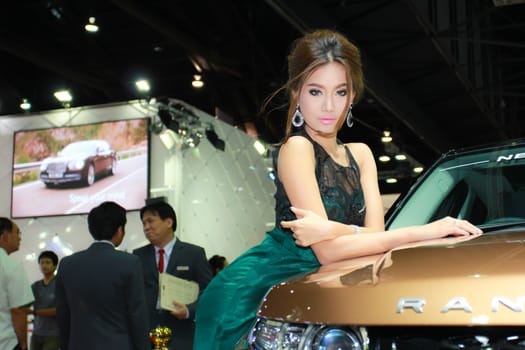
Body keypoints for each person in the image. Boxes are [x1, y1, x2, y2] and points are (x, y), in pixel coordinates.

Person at [193, 29, 483, 349]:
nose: (329, 106)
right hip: (256, 291)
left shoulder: (361, 154)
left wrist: (331, 228)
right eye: (316, 92)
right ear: (296, 94)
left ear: (352, 95)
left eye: (340, 92)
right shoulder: (296, 149)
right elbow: (327, 253)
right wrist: (425, 232)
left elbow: (376, 240)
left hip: (330, 285)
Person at [55, 201, 149, 350]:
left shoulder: (67, 264)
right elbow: (137, 315)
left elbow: (62, 315)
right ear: (119, 230)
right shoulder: (130, 263)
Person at [133, 200, 213, 350]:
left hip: (180, 335)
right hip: (146, 337)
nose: (146, 228)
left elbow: (209, 292)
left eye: (151, 221)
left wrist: (189, 310)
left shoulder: (194, 254)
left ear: (169, 222)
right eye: (144, 223)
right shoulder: (138, 256)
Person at [0, 217, 34, 350]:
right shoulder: (11, 266)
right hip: (5, 343)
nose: (20, 238)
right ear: (5, 236)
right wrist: (24, 344)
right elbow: (18, 311)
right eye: (17, 233)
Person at [30, 250, 60, 350]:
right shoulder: (35, 286)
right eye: (42, 263)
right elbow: (25, 305)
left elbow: (58, 311)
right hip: (36, 332)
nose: (44, 266)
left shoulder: (60, 285)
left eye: (48, 262)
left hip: (54, 334)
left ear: (55, 266)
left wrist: (34, 312)